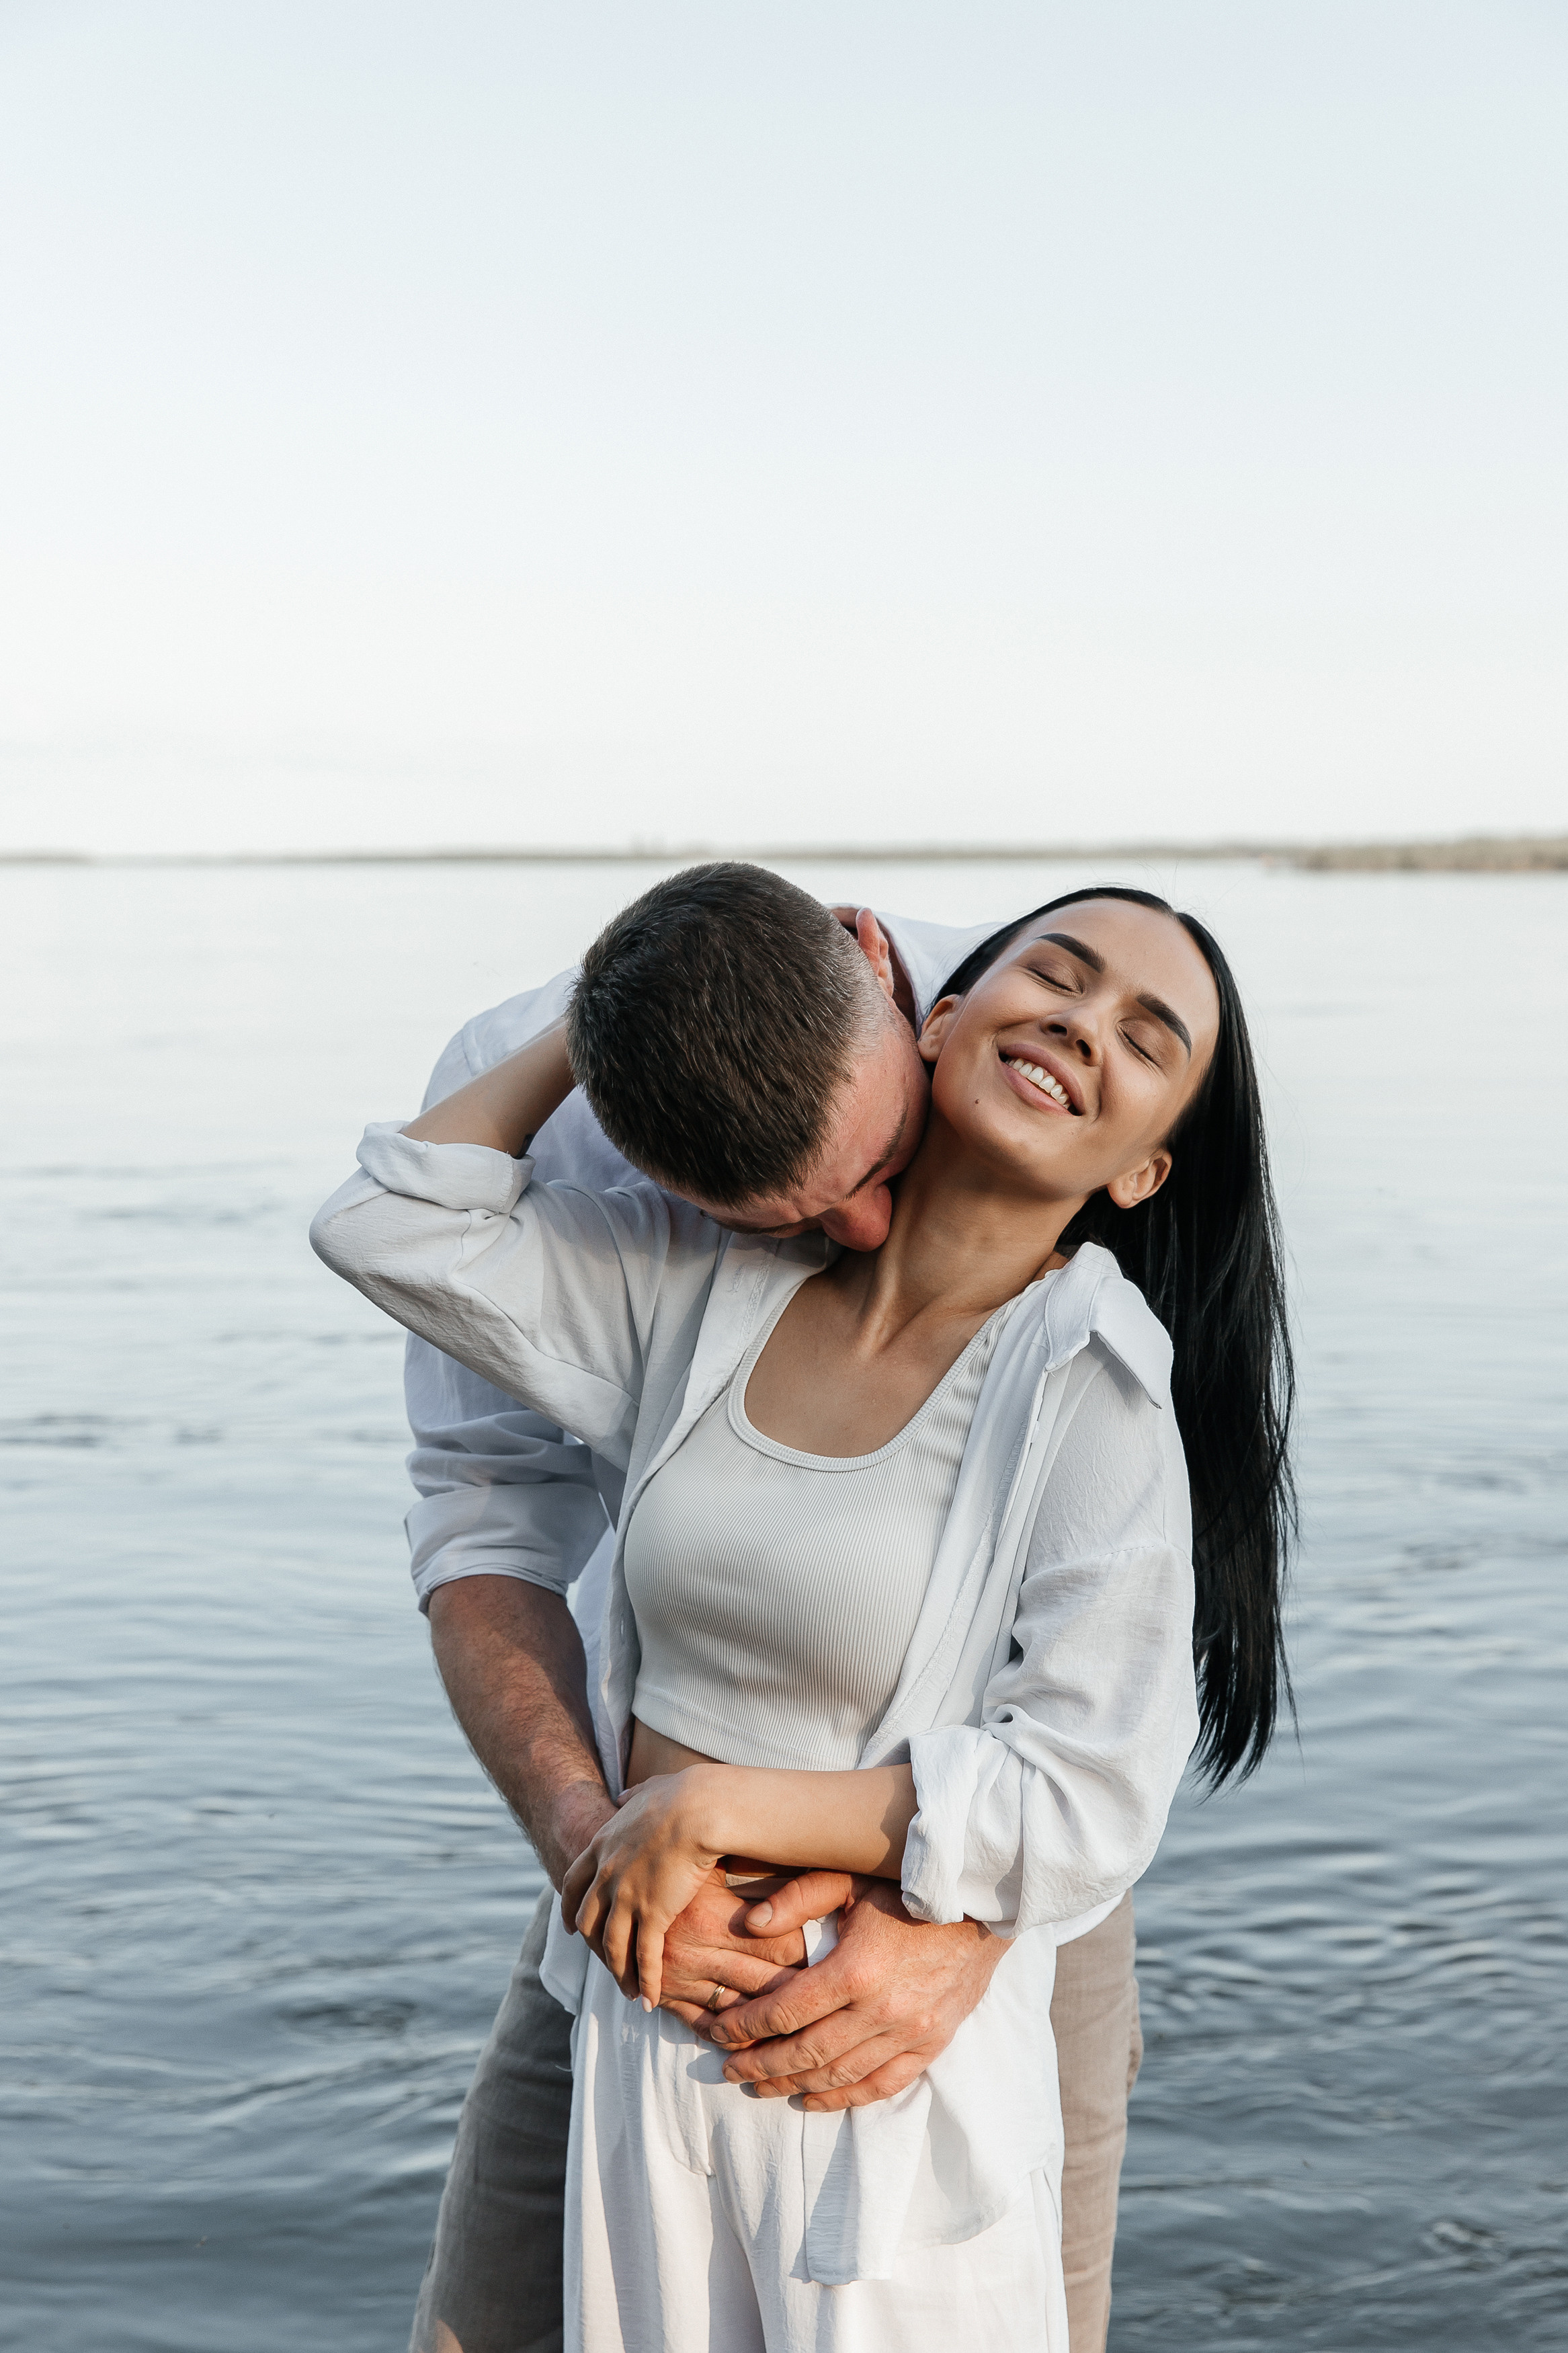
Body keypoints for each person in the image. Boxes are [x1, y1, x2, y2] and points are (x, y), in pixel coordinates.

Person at [312, 866, 1293, 2351]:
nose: (850, 1217)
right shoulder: (688, 1277)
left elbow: (1090, 1776)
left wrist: (950, 1920)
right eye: (787, 1205)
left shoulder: (1088, 1360)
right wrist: (603, 1837)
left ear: (908, 987)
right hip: (648, 1941)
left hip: (932, 1958)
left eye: (1146, 1035)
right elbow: (450, 1405)